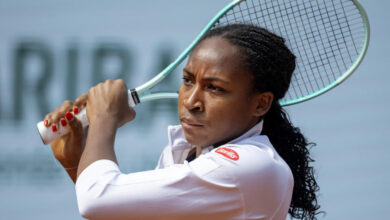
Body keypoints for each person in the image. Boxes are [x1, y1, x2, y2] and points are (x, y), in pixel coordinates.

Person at [44, 24, 321, 220]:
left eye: (215, 88)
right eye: (188, 81)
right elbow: (112, 210)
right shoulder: (182, 154)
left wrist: (105, 118)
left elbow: (97, 201)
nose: (191, 101)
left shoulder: (250, 165)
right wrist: (76, 163)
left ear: (261, 103)